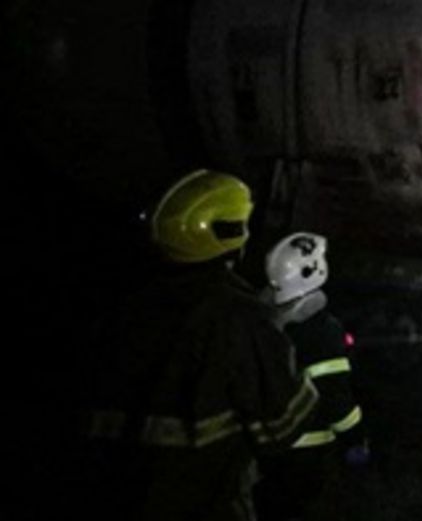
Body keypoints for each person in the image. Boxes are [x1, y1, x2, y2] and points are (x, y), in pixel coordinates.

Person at [84, 169, 319, 521]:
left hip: (110, 498)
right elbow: (283, 426)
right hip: (202, 503)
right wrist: (280, 340)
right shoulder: (239, 316)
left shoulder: (126, 306)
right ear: (232, 234)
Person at [256, 232, 366, 521]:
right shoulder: (323, 330)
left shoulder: (261, 322)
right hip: (307, 457)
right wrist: (355, 439)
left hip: (264, 450)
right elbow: (334, 394)